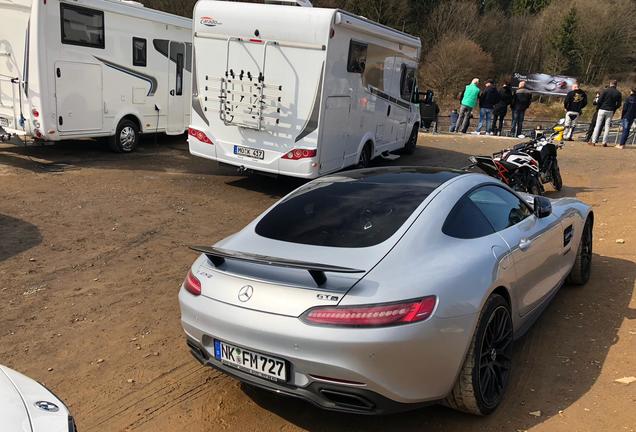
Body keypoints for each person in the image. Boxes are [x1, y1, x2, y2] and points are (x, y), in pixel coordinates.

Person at [591, 80, 622, 146]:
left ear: (610, 84)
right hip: (610, 110)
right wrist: (614, 108)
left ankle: (593, 141)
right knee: (607, 126)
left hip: (602, 109)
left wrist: (599, 107)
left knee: (598, 125)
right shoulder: (618, 93)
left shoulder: (605, 91)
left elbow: (599, 100)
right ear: (616, 85)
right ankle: (604, 142)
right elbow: (619, 104)